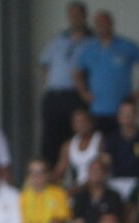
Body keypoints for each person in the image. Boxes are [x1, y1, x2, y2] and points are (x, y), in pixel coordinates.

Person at [73, 10, 139, 134]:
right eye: (98, 23)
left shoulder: (126, 45)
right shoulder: (89, 49)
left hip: (122, 110)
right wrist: (84, 93)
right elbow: (76, 72)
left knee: (121, 142)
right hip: (97, 109)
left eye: (104, 22)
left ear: (111, 23)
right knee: (99, 142)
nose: (101, 26)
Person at [40, 2, 93, 164]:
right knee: (50, 139)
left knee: (76, 138)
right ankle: (50, 174)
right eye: (72, 15)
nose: (74, 18)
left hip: (75, 96)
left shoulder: (92, 41)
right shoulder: (58, 39)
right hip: (54, 95)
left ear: (84, 16)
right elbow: (44, 65)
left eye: (78, 15)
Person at [102, 100, 139, 200]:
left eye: (130, 113)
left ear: (136, 115)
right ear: (118, 116)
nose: (127, 116)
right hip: (116, 181)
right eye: (124, 113)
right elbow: (106, 162)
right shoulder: (111, 139)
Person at [21, 159, 71, 223]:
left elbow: (62, 220)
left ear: (47, 174)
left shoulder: (59, 193)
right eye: (32, 173)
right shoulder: (24, 197)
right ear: (28, 176)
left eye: (40, 172)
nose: (36, 177)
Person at [53, 107, 103, 190]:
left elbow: (101, 170)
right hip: (75, 187)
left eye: (83, 121)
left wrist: (78, 189)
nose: (81, 125)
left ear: (91, 122)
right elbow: (60, 170)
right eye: (77, 122)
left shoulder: (100, 140)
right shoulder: (68, 145)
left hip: (95, 187)